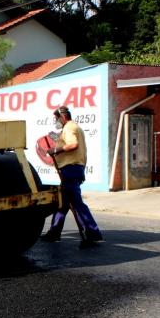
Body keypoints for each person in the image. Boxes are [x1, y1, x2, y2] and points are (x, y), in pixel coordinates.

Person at [41, 106, 103, 249]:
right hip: (74, 169)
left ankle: (91, 233)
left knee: (76, 204)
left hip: (71, 169)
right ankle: (54, 232)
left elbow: (73, 144)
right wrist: (56, 139)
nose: (55, 121)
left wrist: (54, 150)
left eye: (56, 118)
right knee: (63, 204)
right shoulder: (72, 128)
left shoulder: (69, 127)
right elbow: (68, 142)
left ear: (63, 117)